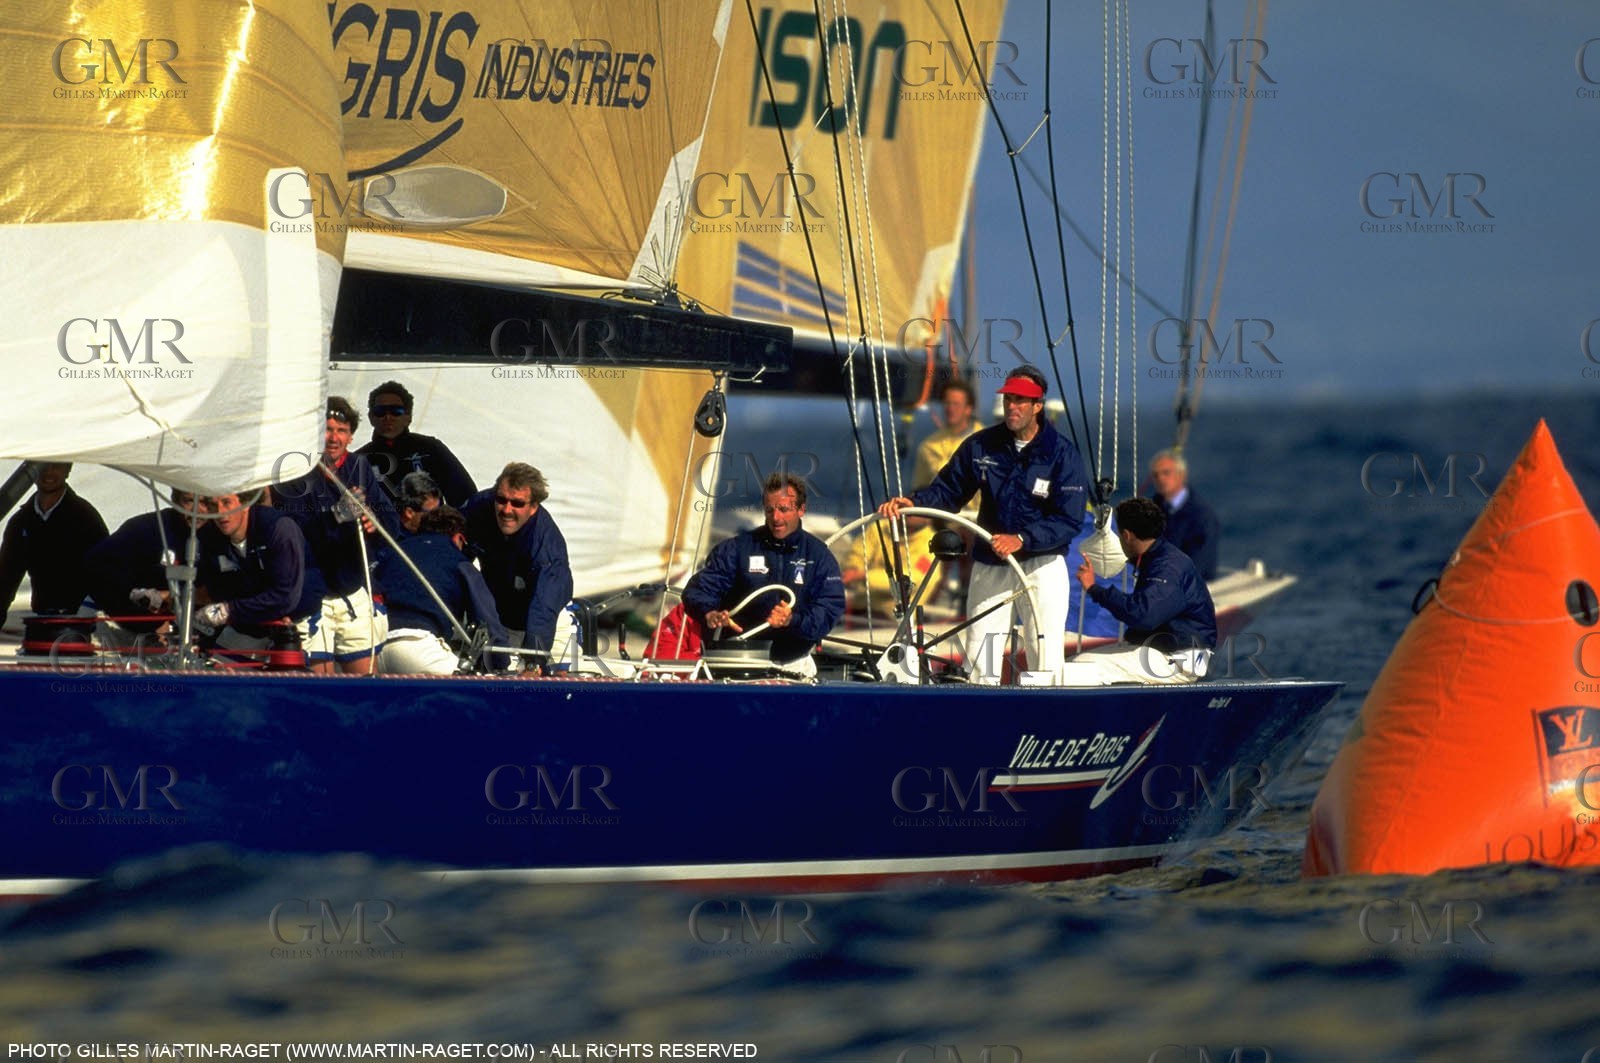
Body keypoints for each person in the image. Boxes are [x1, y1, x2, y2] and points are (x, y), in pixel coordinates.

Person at [879, 366, 1090, 684]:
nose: (1012, 407)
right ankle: (980, 723)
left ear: (1038, 406)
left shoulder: (1063, 455)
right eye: (1008, 399)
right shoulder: (980, 446)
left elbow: (1069, 519)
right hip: (991, 561)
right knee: (978, 659)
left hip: (1042, 565)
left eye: (1022, 400)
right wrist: (914, 503)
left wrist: (1022, 538)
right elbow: (949, 490)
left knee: (1044, 660)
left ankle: (1043, 724)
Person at [276, 397, 402, 674]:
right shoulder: (294, 471)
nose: (334, 438)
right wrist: (336, 516)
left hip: (352, 587)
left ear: (351, 436)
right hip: (313, 593)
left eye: (341, 431)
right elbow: (294, 534)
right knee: (320, 686)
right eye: (327, 429)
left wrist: (373, 522)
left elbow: (392, 525)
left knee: (365, 684)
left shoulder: (360, 467)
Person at [683, 473, 845, 676]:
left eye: (784, 509)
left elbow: (830, 609)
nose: (776, 517)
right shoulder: (736, 549)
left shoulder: (819, 555)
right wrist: (709, 613)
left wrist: (792, 620)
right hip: (736, 665)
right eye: (770, 510)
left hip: (793, 665)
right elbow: (697, 591)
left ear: (801, 509)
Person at [1066, 496, 1217, 685]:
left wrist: (1094, 588)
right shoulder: (1157, 557)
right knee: (1073, 663)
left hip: (1179, 658)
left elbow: (1144, 616)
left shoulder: (1168, 567)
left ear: (1127, 535)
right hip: (1164, 650)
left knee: (1077, 669)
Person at [463, 462, 575, 671]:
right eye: (501, 500)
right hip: (500, 619)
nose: (506, 510)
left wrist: (533, 662)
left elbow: (544, 605)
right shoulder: (477, 508)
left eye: (517, 503)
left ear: (534, 507)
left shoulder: (545, 545)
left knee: (555, 681)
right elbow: (453, 558)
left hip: (549, 619)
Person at [375, 506, 510, 674]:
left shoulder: (390, 553)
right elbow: (487, 619)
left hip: (372, 649)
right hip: (418, 649)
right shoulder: (459, 561)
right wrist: (500, 663)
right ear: (458, 538)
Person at [193, 491, 308, 653]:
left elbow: (285, 596)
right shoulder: (208, 536)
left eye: (227, 503)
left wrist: (228, 610)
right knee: (218, 671)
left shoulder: (278, 528)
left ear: (246, 504)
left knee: (294, 674)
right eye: (213, 505)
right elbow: (213, 587)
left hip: (297, 620)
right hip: (246, 623)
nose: (220, 512)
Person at [82, 489, 202, 635]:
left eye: (206, 502)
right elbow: (96, 565)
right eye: (189, 501)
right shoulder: (147, 528)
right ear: (175, 501)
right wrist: (133, 595)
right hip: (139, 624)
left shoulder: (221, 533)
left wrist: (170, 596)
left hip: (204, 623)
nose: (199, 509)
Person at [0, 462, 107, 619]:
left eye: (56, 466)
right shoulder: (21, 521)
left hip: (81, 620)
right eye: (42, 466)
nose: (48, 472)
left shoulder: (85, 517)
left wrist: (88, 610)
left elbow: (106, 569)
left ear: (68, 470)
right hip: (41, 619)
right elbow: (6, 580)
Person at [357, 380, 477, 507]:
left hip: (430, 525)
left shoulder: (431, 448)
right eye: (380, 411)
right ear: (371, 417)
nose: (388, 417)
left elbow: (465, 496)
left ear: (408, 417)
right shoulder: (358, 460)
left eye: (396, 411)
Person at [1148, 448, 1221, 580]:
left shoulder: (1201, 515)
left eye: (1166, 473)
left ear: (1181, 475)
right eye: (1156, 475)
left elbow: (1200, 561)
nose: (1160, 478)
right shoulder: (1150, 510)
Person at [912, 380, 982, 492]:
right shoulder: (928, 446)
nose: (950, 409)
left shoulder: (989, 443)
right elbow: (918, 489)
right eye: (947, 403)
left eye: (956, 404)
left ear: (969, 409)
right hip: (940, 509)